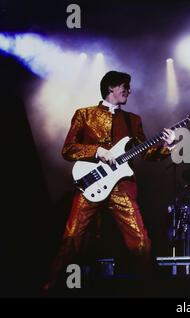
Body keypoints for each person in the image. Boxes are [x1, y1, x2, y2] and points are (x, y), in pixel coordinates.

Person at [45, 71, 176, 290]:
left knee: (140, 241)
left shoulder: (133, 120)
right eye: (125, 86)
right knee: (72, 238)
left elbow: (146, 152)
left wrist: (167, 147)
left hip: (121, 187)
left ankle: (149, 290)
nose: (129, 91)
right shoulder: (84, 114)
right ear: (111, 88)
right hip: (90, 183)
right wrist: (97, 151)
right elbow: (68, 149)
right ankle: (51, 288)